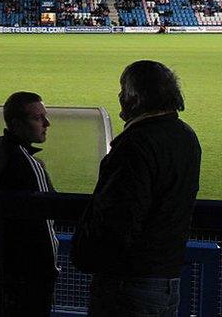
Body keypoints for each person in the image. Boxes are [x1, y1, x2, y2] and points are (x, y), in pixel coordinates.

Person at [71, 60, 201, 317]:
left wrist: (86, 254)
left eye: (123, 90)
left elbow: (119, 218)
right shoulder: (185, 135)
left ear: (136, 96)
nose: (120, 96)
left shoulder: (136, 143)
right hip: (166, 278)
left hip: (129, 283)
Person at [0, 91, 57, 315]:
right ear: (16, 123)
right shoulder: (29, 165)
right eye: (38, 118)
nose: (47, 123)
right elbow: (46, 223)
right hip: (28, 276)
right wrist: (51, 270)